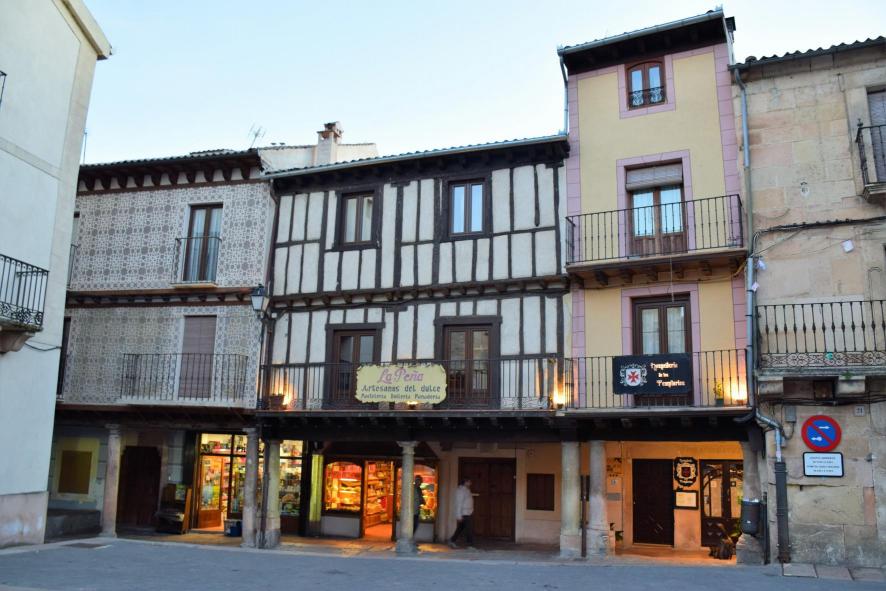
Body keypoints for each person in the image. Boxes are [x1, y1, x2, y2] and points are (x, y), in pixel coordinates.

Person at [448, 478, 475, 549]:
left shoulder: (467, 490)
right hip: (464, 513)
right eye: (469, 482)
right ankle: (470, 544)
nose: (471, 483)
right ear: (465, 482)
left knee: (460, 528)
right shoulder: (460, 491)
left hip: (468, 512)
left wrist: (471, 510)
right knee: (469, 529)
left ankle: (452, 540)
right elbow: (459, 503)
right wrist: (459, 516)